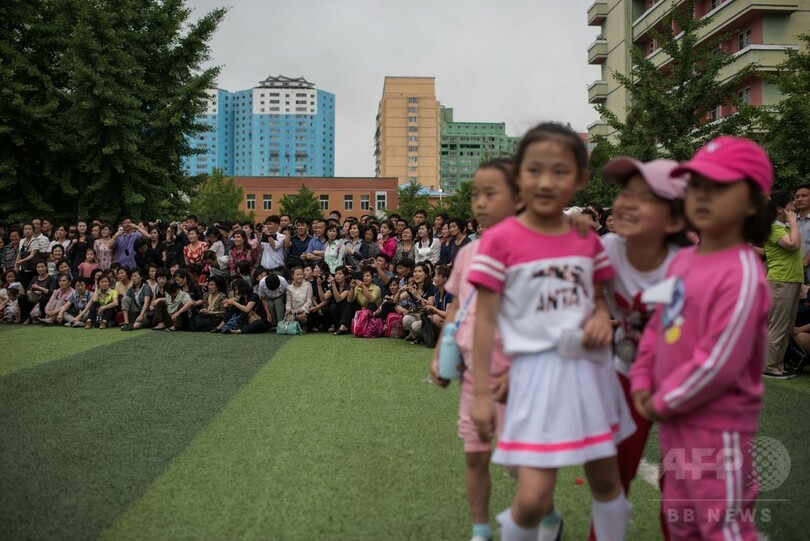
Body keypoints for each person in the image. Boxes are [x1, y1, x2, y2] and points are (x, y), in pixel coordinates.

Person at [469, 123, 634, 541]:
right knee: (532, 498)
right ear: (519, 176)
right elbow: (485, 319)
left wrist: (599, 316)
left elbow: (598, 299)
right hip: (534, 377)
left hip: (590, 373)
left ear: (580, 179)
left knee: (605, 483)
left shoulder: (586, 239)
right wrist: (484, 394)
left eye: (560, 171)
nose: (546, 182)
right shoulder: (500, 240)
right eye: (535, 170)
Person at [629, 136, 773, 540]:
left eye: (720, 186)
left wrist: (661, 399)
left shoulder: (743, 273)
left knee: (720, 525)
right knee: (680, 521)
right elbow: (658, 327)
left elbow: (719, 362)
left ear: (752, 202)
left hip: (717, 429)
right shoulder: (682, 261)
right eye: (696, 185)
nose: (703, 195)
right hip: (675, 422)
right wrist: (642, 379)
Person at [591, 156, 690, 541]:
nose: (628, 203)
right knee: (613, 479)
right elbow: (585, 292)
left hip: (683, 383)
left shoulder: (689, 267)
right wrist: (598, 311)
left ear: (675, 221)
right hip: (625, 373)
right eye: (626, 193)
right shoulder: (608, 248)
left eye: (645, 197)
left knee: (682, 489)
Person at [430, 157, 524, 541]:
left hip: (520, 373)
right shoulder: (467, 252)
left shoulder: (531, 251)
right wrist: (440, 354)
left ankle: (543, 514)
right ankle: (481, 530)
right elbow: (455, 306)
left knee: (520, 462)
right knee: (475, 453)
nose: (480, 203)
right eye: (475, 195)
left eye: (491, 194)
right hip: (472, 370)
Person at [763, 190, 803, 378]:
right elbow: (792, 245)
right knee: (778, 326)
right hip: (780, 281)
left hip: (792, 280)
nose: (794, 205)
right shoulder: (773, 228)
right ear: (780, 208)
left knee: (787, 328)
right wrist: (794, 222)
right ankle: (769, 366)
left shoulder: (786, 227)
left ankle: (777, 365)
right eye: (791, 202)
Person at [398, 262, 437, 343]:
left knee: (415, 326)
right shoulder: (413, 287)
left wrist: (417, 295)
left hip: (427, 317)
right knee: (406, 319)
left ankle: (427, 338)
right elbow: (397, 300)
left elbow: (430, 305)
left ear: (426, 275)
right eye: (415, 271)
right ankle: (417, 338)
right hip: (416, 315)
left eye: (419, 271)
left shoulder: (431, 287)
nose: (416, 274)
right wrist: (399, 291)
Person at [285, 266, 313, 332]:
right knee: (288, 317)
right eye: (297, 275)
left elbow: (309, 301)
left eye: (301, 274)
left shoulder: (308, 285)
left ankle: (305, 326)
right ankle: (294, 327)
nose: (300, 276)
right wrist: (288, 309)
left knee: (300, 317)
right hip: (294, 310)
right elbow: (288, 302)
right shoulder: (289, 288)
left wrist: (302, 309)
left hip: (305, 310)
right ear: (293, 276)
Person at [16, 223, 40, 289]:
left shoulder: (35, 241)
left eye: (29, 229)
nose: (27, 231)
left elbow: (32, 255)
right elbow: (19, 253)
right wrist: (16, 265)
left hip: (32, 269)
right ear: (23, 231)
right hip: (23, 268)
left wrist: (22, 260)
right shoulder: (21, 241)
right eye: (25, 229)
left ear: (33, 230)